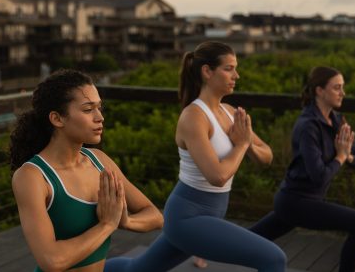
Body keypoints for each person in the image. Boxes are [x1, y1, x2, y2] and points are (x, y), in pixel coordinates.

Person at [105, 41, 286, 272]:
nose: (236, 75)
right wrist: (241, 145)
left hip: (212, 213)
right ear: (207, 71)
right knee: (273, 258)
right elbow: (217, 176)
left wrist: (247, 143)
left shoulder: (231, 113)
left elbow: (267, 156)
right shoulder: (194, 117)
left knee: (137, 269)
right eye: (228, 68)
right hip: (187, 218)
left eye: (235, 68)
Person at [10, 69, 163, 272]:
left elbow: (155, 216)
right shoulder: (32, 177)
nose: (100, 117)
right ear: (57, 119)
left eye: (99, 108)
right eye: (88, 109)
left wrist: (125, 221)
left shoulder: (99, 160)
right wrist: (107, 225)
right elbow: (52, 261)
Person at [250, 66, 355, 272]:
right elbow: (319, 177)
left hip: (300, 201)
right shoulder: (308, 126)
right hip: (296, 202)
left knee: (248, 239)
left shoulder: (336, 120)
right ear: (319, 91)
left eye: (343, 87)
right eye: (337, 88)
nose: (343, 93)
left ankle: (204, 248)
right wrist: (341, 156)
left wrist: (347, 154)